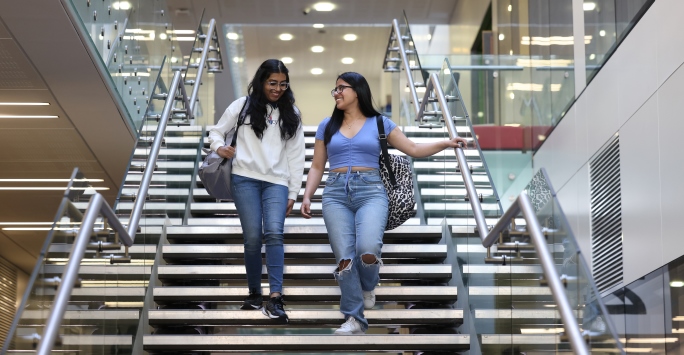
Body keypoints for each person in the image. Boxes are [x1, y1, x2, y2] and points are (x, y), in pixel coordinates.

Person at [300, 72, 470, 335]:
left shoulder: (380, 123)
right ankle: (354, 319)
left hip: (371, 191)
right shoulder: (327, 125)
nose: (336, 93)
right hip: (334, 194)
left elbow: (413, 149)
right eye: (334, 90)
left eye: (341, 88)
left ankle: (368, 285)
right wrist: (308, 195)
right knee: (345, 259)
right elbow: (317, 166)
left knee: (368, 249)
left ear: (357, 90)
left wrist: (446, 143)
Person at [209, 59, 305, 323]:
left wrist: (294, 192)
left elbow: (297, 156)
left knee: (274, 233)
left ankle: (275, 297)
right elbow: (216, 132)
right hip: (244, 179)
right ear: (262, 81)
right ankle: (254, 294)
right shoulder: (241, 106)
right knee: (252, 238)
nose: (277, 88)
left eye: (282, 84)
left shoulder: (292, 114)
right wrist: (220, 148)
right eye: (272, 83)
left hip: (277, 182)